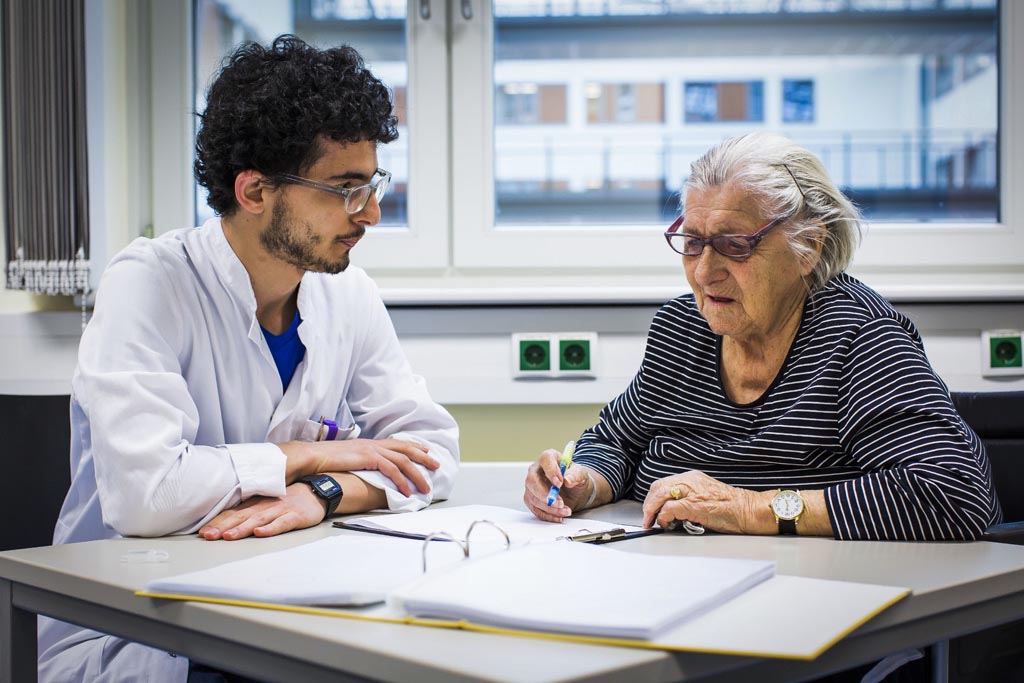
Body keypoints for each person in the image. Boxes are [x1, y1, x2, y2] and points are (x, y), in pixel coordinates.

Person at [39, 36, 458, 683]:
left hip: (284, 604)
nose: (371, 214)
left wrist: (323, 492)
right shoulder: (149, 283)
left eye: (373, 185)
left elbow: (434, 452)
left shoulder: (346, 293)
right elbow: (147, 497)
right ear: (255, 189)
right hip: (144, 630)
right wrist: (305, 455)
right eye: (346, 189)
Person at [525, 132, 1001, 544]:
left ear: (807, 246)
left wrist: (748, 508)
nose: (704, 272)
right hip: (672, 576)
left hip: (822, 592)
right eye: (693, 242)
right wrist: (584, 482)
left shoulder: (858, 336)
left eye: (735, 245)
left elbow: (952, 492)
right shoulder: (682, 328)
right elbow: (617, 442)